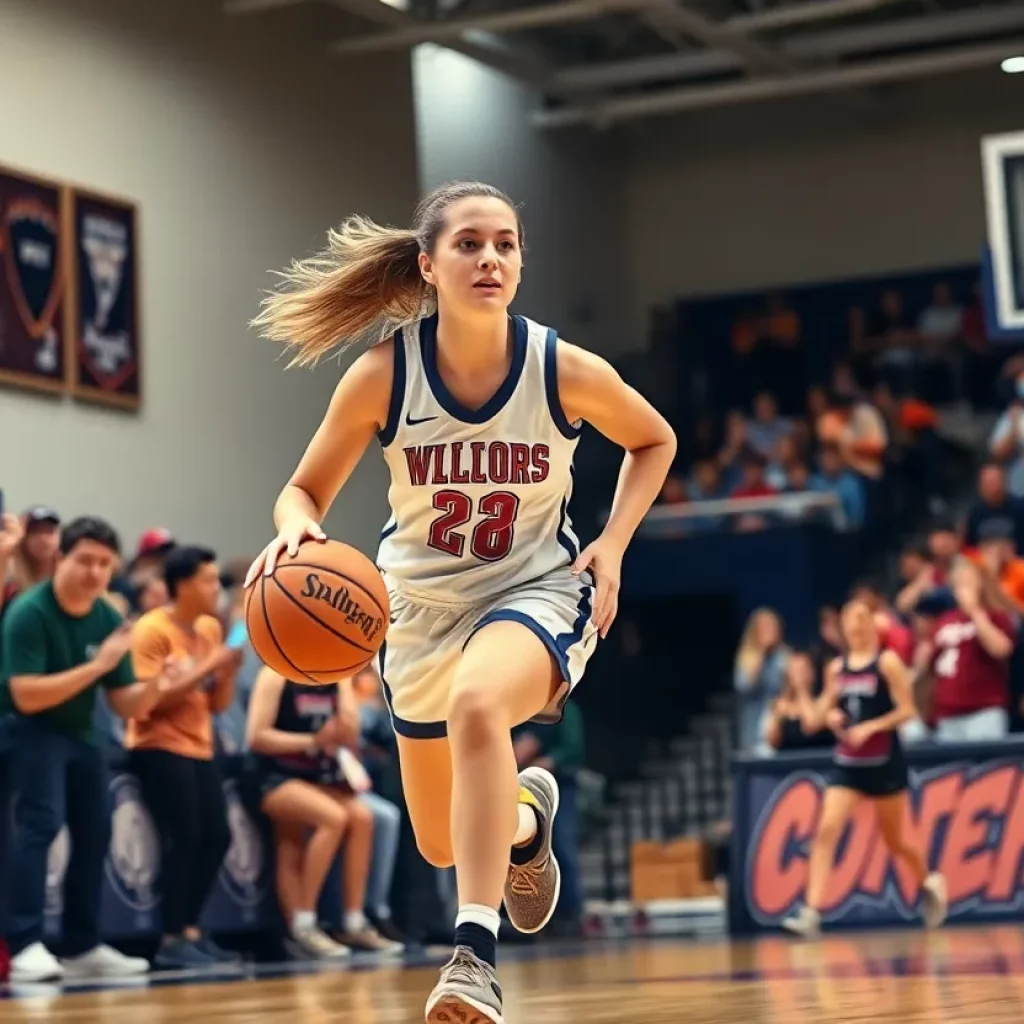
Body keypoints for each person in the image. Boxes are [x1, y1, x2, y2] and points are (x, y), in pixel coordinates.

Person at [244, 181, 676, 1022]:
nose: (491, 259)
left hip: (536, 590)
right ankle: (525, 819)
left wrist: (614, 546)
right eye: (471, 244)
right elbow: (301, 490)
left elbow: (653, 439)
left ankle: (473, 958)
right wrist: (294, 531)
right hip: (415, 611)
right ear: (428, 264)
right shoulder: (383, 374)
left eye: (506, 244)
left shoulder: (561, 368)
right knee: (444, 839)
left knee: (483, 704)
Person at [0, 516, 171, 983]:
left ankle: (81, 944)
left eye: (104, 564)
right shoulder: (29, 612)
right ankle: (24, 944)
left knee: (96, 830)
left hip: (79, 732)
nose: (95, 573)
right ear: (60, 559)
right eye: (85, 561)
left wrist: (157, 685)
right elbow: (25, 694)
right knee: (41, 825)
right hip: (27, 728)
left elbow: (122, 702)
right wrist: (98, 665)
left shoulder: (107, 616)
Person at [781, 600, 947, 938]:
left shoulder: (886, 663)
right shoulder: (836, 668)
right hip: (849, 764)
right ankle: (811, 913)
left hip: (884, 761)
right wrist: (817, 706)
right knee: (826, 829)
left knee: (897, 841)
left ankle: (929, 881)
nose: (854, 626)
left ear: (871, 623)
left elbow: (907, 711)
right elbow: (813, 721)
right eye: (848, 620)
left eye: (860, 618)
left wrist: (871, 727)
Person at [127, 545, 242, 968]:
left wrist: (225, 673)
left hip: (198, 744)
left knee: (218, 836)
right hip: (155, 744)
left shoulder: (210, 629)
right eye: (208, 580)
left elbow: (215, 704)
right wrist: (209, 664)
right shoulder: (152, 630)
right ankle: (171, 935)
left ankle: (191, 927)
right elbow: (146, 702)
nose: (216, 588)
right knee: (187, 835)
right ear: (182, 584)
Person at [246, 666, 400, 957]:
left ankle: (353, 923)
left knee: (363, 818)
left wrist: (342, 679)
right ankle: (305, 923)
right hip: (272, 777)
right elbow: (256, 737)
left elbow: (350, 731)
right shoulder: (275, 675)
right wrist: (313, 742)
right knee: (331, 818)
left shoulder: (332, 675)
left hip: (317, 777)